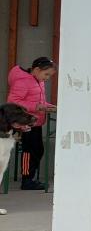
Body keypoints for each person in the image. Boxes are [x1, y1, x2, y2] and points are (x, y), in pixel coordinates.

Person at [6, 56, 57, 190]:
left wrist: (49, 106)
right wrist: (36, 107)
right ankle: (27, 180)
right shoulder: (23, 81)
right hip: (25, 123)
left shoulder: (38, 80)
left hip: (35, 122)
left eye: (49, 76)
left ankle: (30, 177)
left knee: (38, 150)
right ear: (37, 70)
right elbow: (13, 101)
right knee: (29, 151)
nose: (47, 78)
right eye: (46, 74)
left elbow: (38, 101)